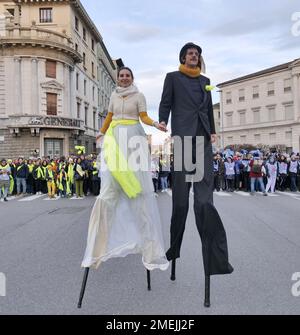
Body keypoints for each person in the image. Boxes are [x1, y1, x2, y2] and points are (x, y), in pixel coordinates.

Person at [158, 42, 233, 307]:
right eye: (190, 53)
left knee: (203, 203)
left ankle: (214, 259)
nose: (195, 55)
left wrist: (212, 130)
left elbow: (208, 107)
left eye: (197, 53)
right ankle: (174, 250)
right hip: (181, 139)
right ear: (183, 57)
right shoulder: (172, 78)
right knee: (180, 204)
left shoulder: (206, 81)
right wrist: (163, 121)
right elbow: (166, 101)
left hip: (201, 140)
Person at [80, 67, 169, 279]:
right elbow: (109, 117)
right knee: (109, 190)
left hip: (132, 138)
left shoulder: (139, 95)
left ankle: (150, 247)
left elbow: (144, 117)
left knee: (136, 189)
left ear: (132, 78)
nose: (124, 78)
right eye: (121, 76)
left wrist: (156, 124)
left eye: (127, 75)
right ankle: (97, 246)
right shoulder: (112, 96)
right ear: (118, 79)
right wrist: (101, 133)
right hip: (113, 139)